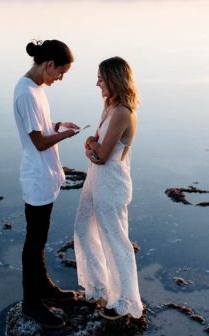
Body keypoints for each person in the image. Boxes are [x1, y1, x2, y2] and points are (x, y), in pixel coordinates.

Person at [13, 39, 80, 329]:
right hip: (36, 177)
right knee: (34, 242)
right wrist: (64, 137)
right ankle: (31, 303)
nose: (60, 78)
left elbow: (42, 129)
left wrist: (59, 125)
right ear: (48, 65)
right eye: (60, 72)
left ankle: (45, 289)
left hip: (46, 174)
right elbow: (38, 142)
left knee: (39, 238)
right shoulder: (26, 92)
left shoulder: (37, 90)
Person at [74, 56, 143, 320]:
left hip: (111, 182)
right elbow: (96, 145)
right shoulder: (110, 106)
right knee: (84, 228)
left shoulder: (123, 111)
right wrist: (92, 144)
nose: (97, 84)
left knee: (116, 241)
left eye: (101, 79)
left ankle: (125, 300)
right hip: (97, 178)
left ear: (114, 80)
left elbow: (100, 154)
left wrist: (92, 146)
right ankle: (100, 286)